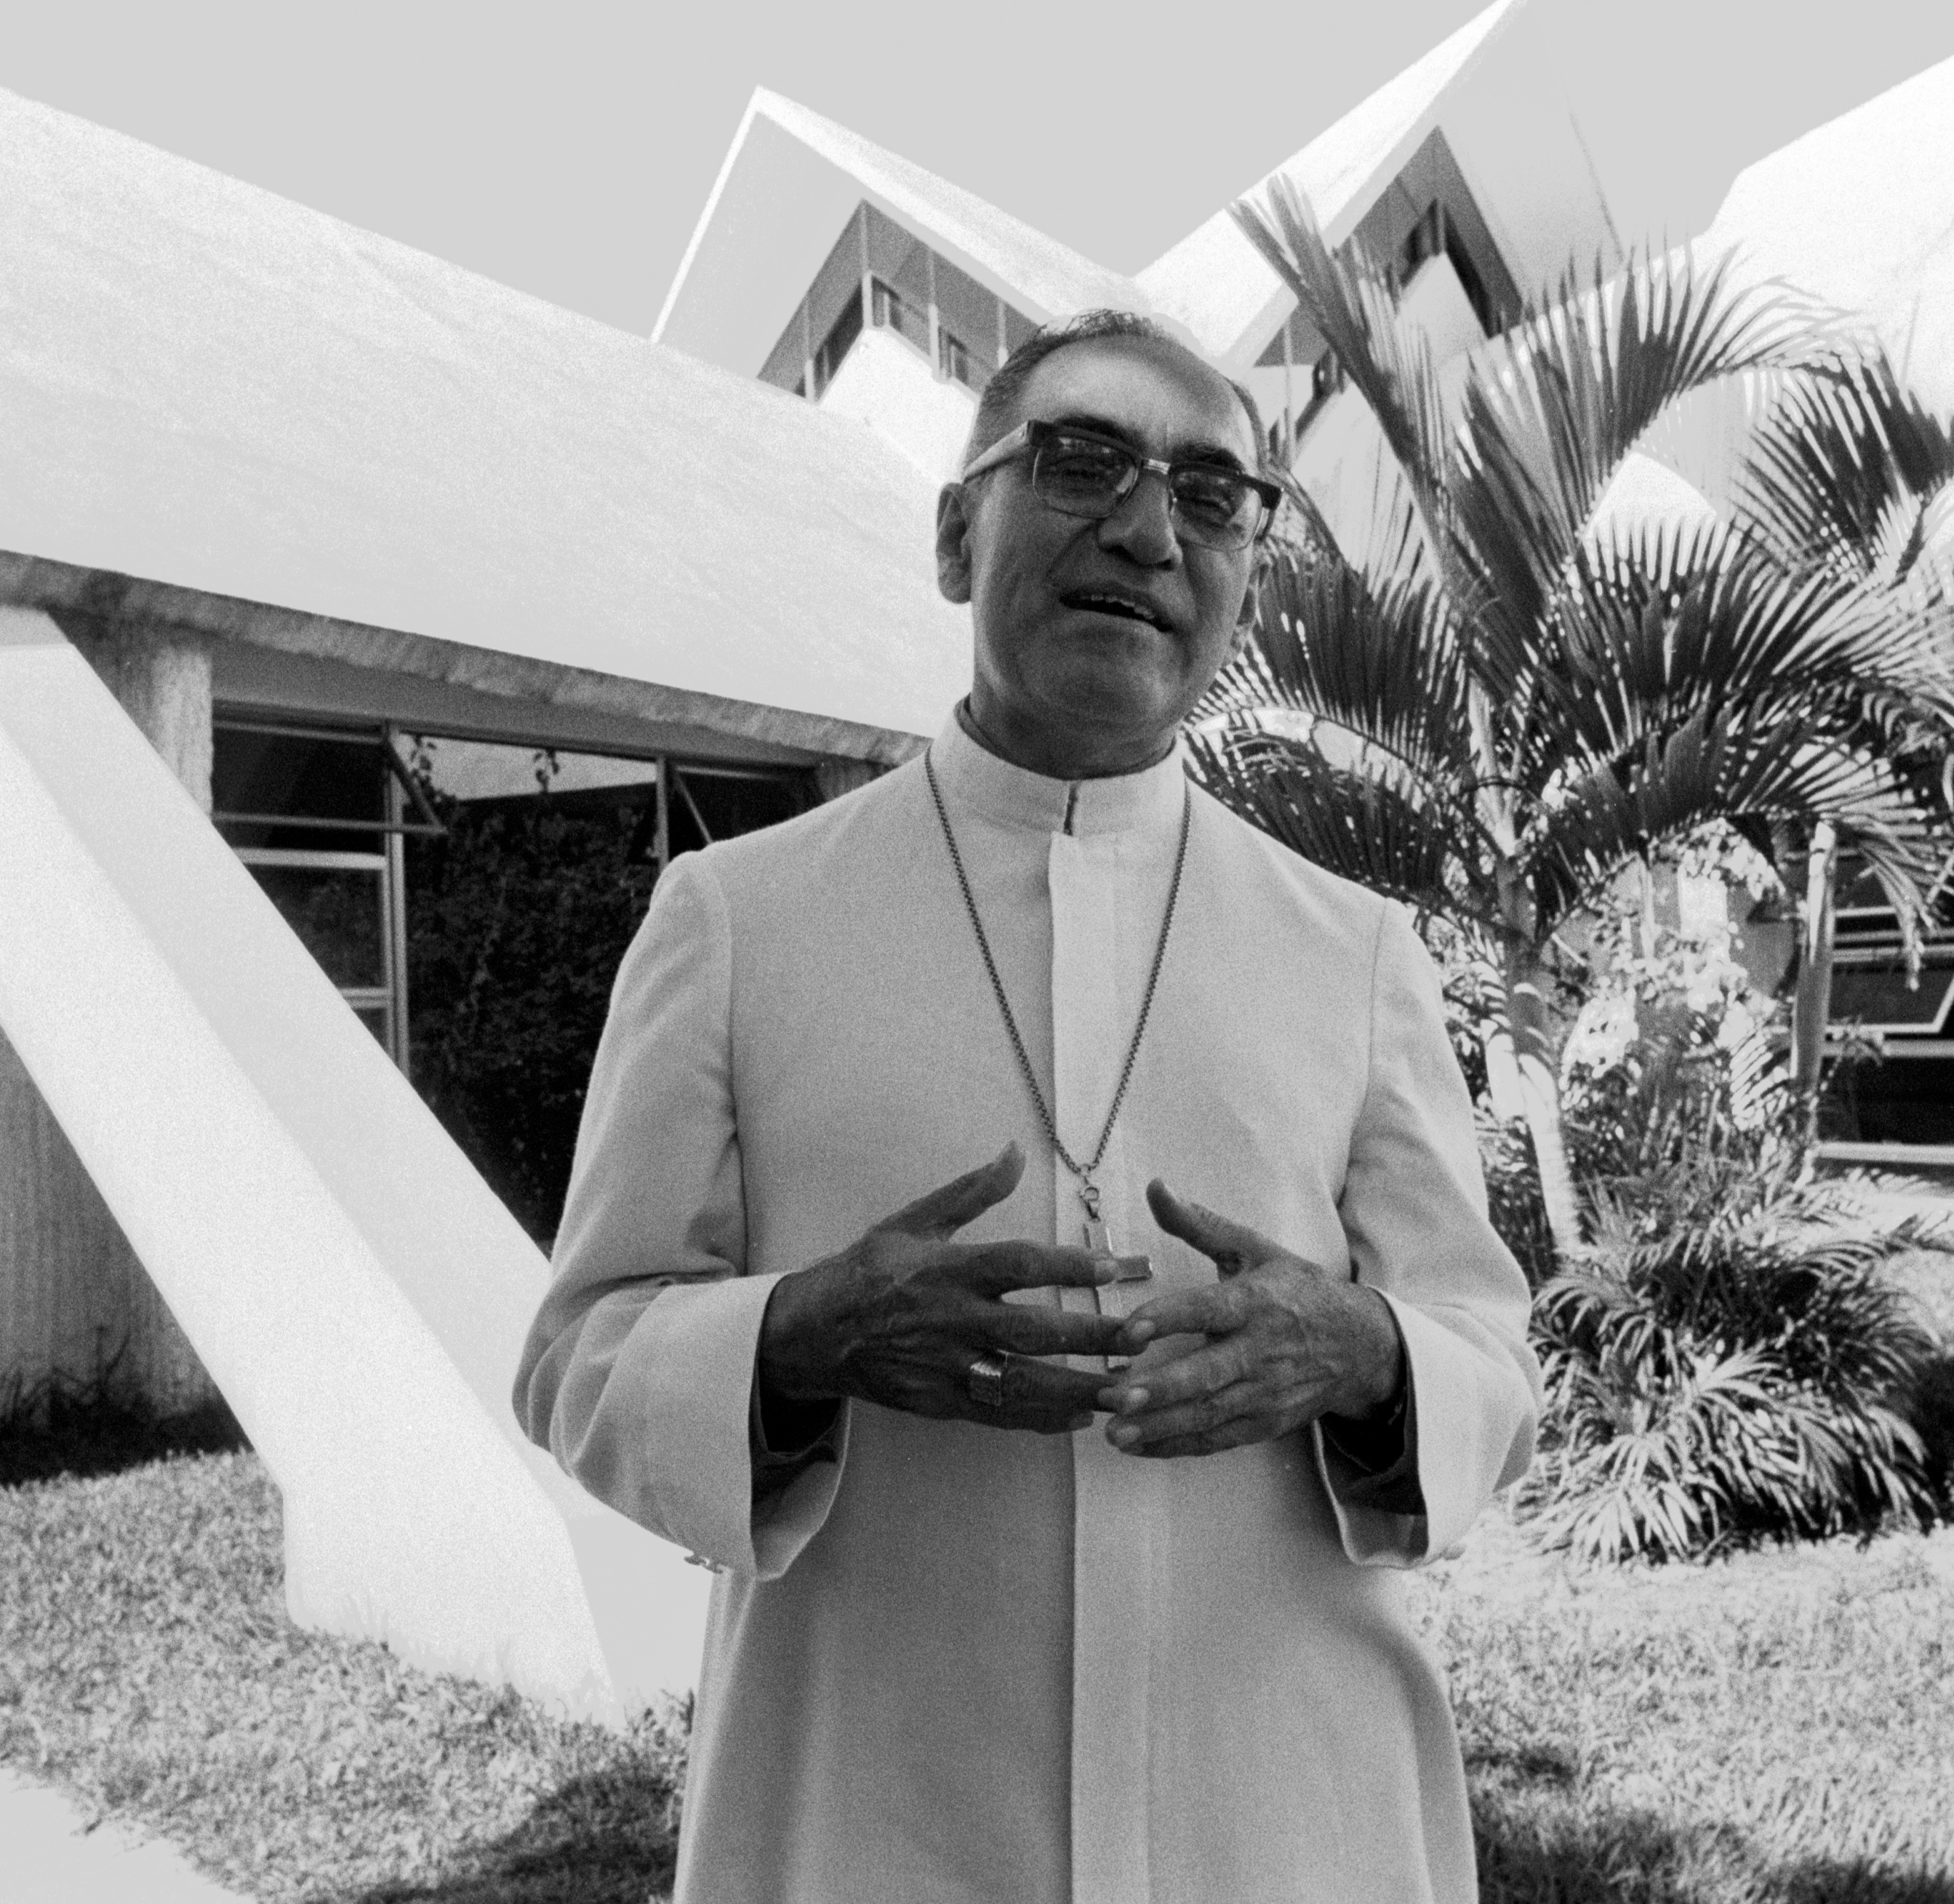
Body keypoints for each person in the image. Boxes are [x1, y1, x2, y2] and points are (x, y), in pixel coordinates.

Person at [516, 310, 1538, 1904]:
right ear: (953, 536)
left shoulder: (1353, 953)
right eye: (1080, 463)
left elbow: (1486, 1355)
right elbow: (579, 1350)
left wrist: (1360, 1350)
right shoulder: (735, 921)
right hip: (875, 1824)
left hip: (1281, 1827)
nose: (1146, 530)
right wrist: (795, 1337)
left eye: (1210, 497)